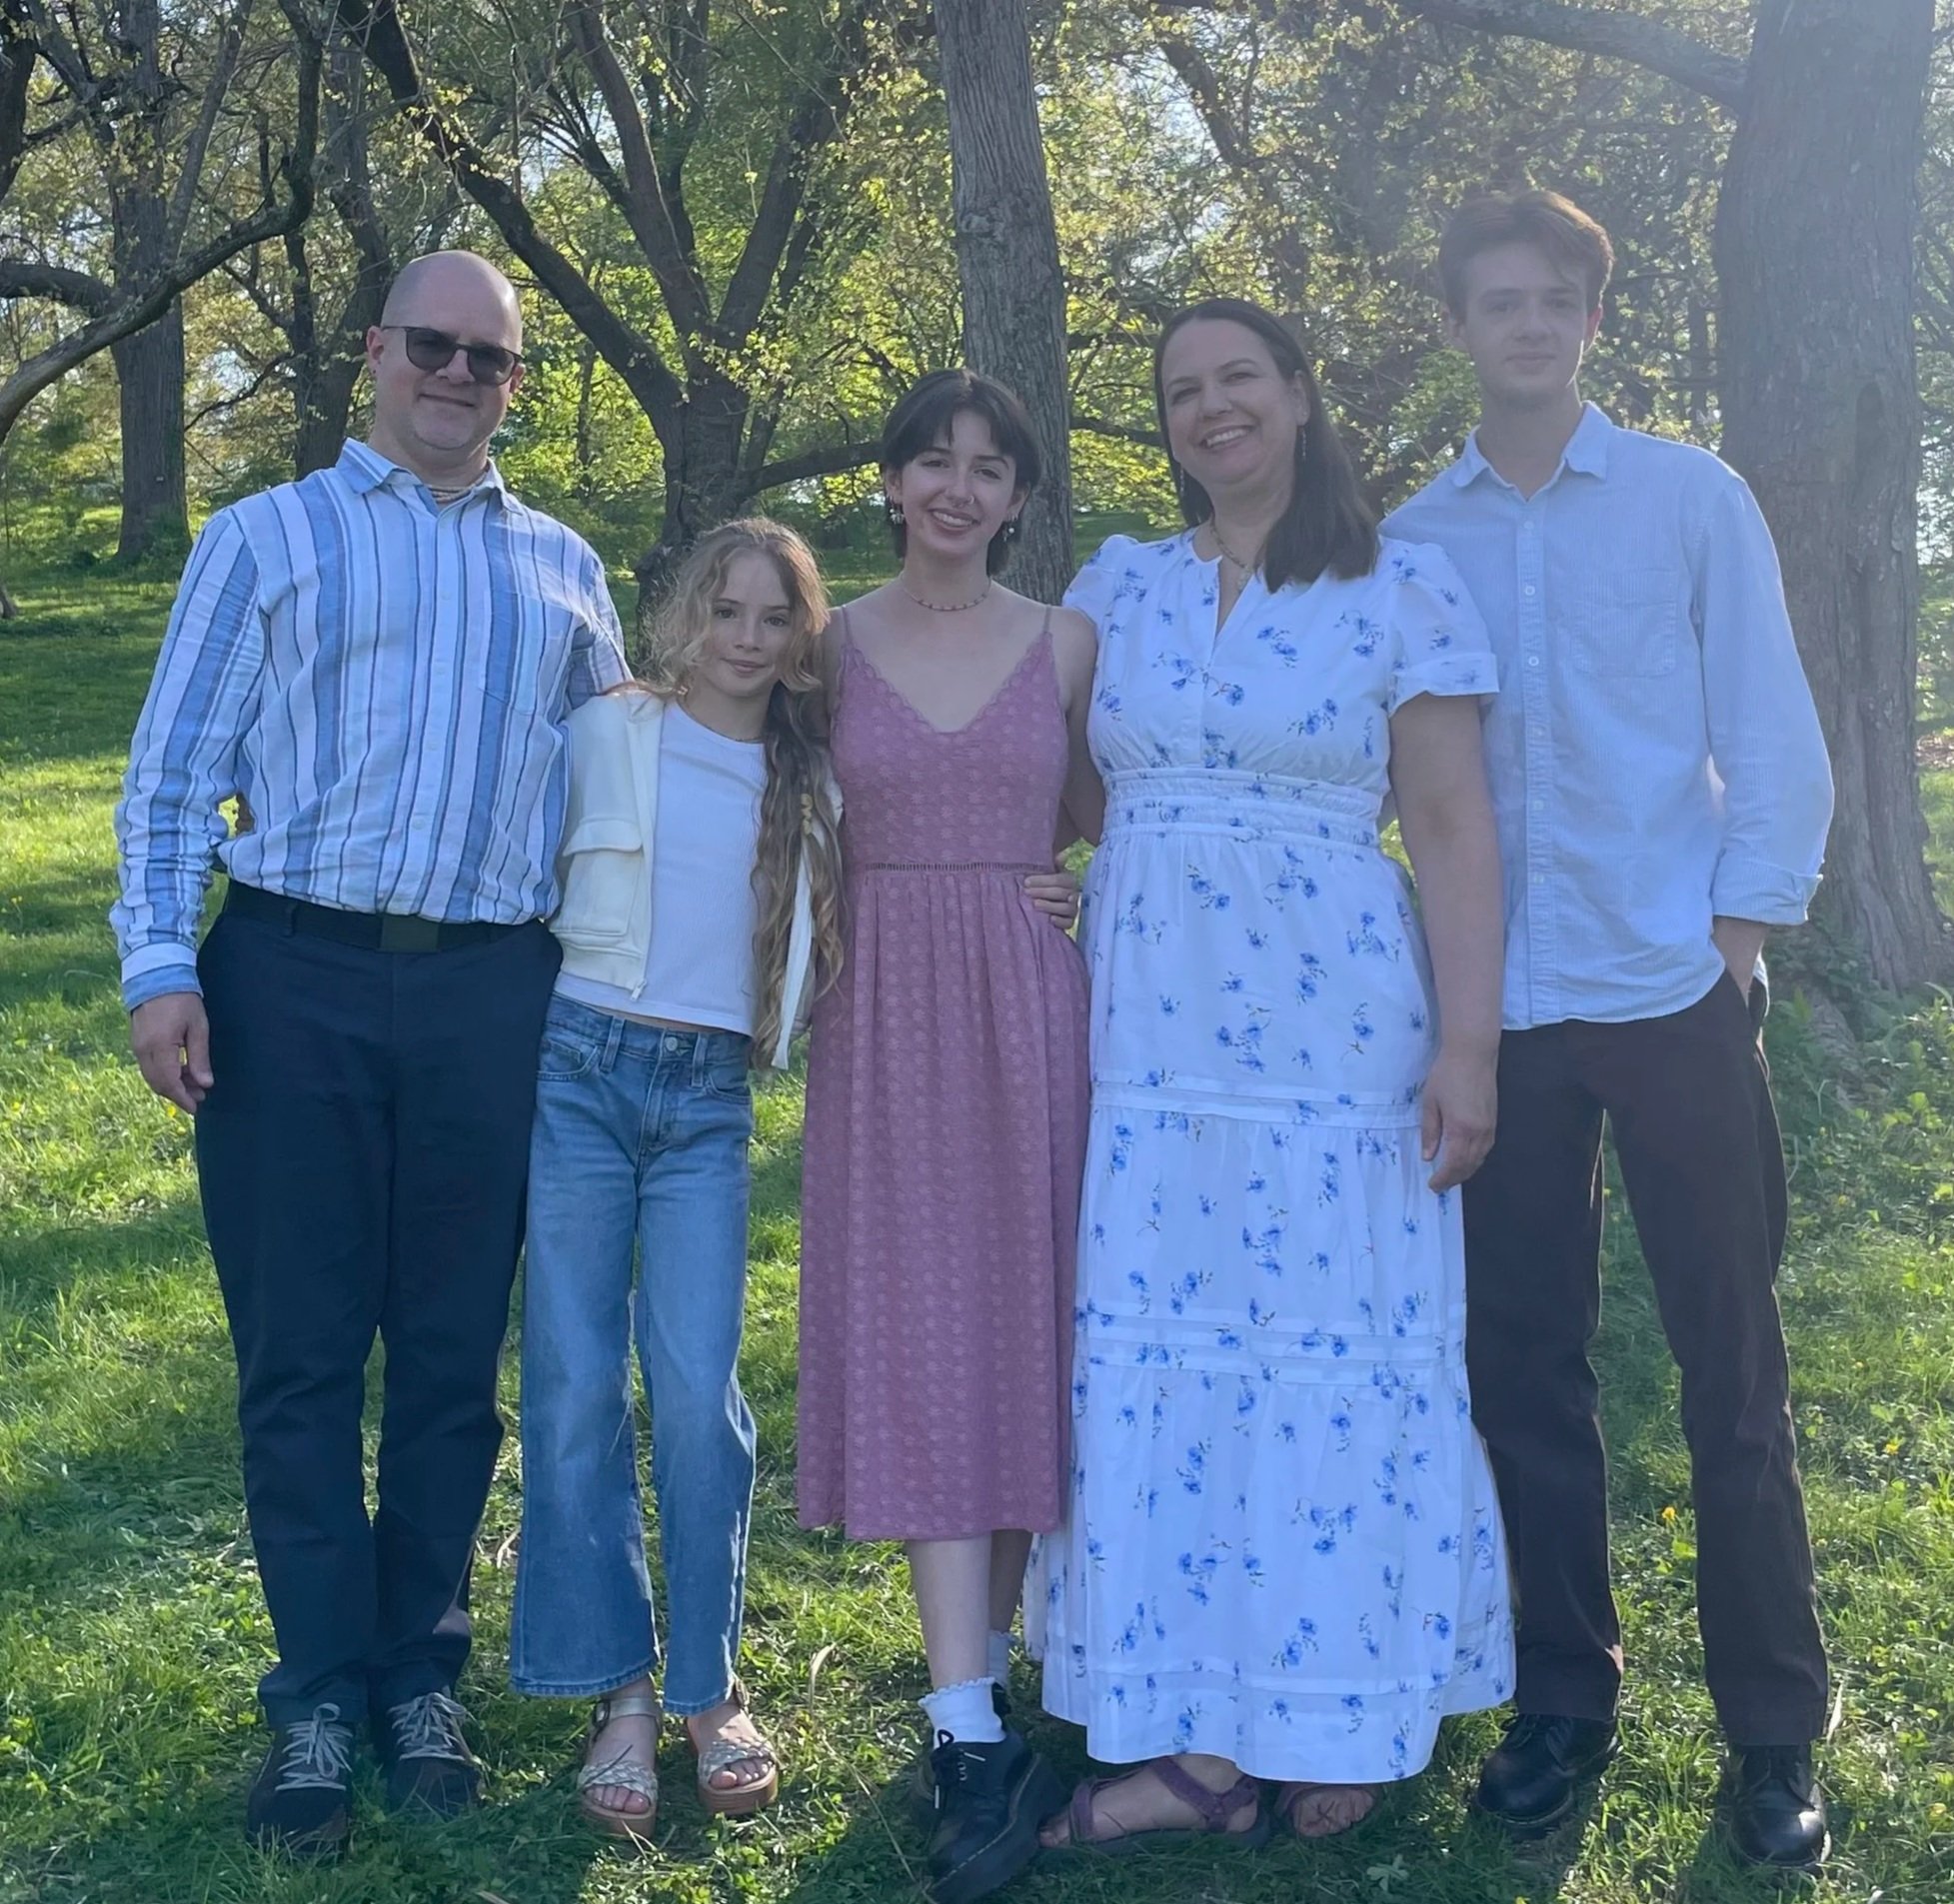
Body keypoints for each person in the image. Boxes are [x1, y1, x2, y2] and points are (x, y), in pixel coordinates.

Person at [111, 252, 630, 1861]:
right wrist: (156, 967)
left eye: (492, 359)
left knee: (453, 1359)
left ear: (515, 383)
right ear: (375, 353)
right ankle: (320, 1693)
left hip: (495, 999)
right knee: (303, 1354)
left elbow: (631, 799)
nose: (460, 376)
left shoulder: (565, 570)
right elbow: (172, 770)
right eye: (435, 345)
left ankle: (421, 1673)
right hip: (290, 979)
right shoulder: (264, 540)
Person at [1383, 190, 1834, 1871]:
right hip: (1503, 1017)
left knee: (1732, 1367)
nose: (1525, 324)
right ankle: (1564, 1693)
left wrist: (1736, 940)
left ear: (1591, 316)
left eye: (1554, 299)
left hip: (1671, 994)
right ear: (1456, 323)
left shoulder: (1689, 498)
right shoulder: (1412, 534)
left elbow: (1771, 730)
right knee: (1524, 1365)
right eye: (1495, 299)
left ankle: (1774, 1729)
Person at [1032, 297, 1512, 1855]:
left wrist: (1468, 1043)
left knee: (1326, 1357)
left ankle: (1344, 1698)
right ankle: (1191, 1727)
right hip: (1147, 1046)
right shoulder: (1123, 582)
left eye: (1241, 377)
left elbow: (1446, 825)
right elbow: (1028, 753)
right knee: (1167, 1358)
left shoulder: (1402, 587)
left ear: (1302, 397)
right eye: (1181, 388)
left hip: (1335, 1047)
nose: (1211, 406)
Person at [795, 368, 1098, 1904]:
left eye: (990, 467)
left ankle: (1009, 1674)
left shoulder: (1070, 641)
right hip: (884, 1020)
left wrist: (1084, 889)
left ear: (1019, 495)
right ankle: (964, 1720)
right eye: (933, 461)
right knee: (927, 1333)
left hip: (1032, 1012)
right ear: (893, 480)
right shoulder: (828, 644)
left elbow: (1136, 808)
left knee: (1020, 1326)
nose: (959, 489)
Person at [509, 519, 844, 1839]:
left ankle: (708, 1681)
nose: (750, 637)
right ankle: (622, 1691)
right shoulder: (609, 733)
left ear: (803, 638)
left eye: (777, 617)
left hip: (706, 1098)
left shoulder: (810, 785)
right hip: (579, 1072)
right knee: (577, 1380)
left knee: (700, 1392)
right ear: (684, 616)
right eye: (730, 610)